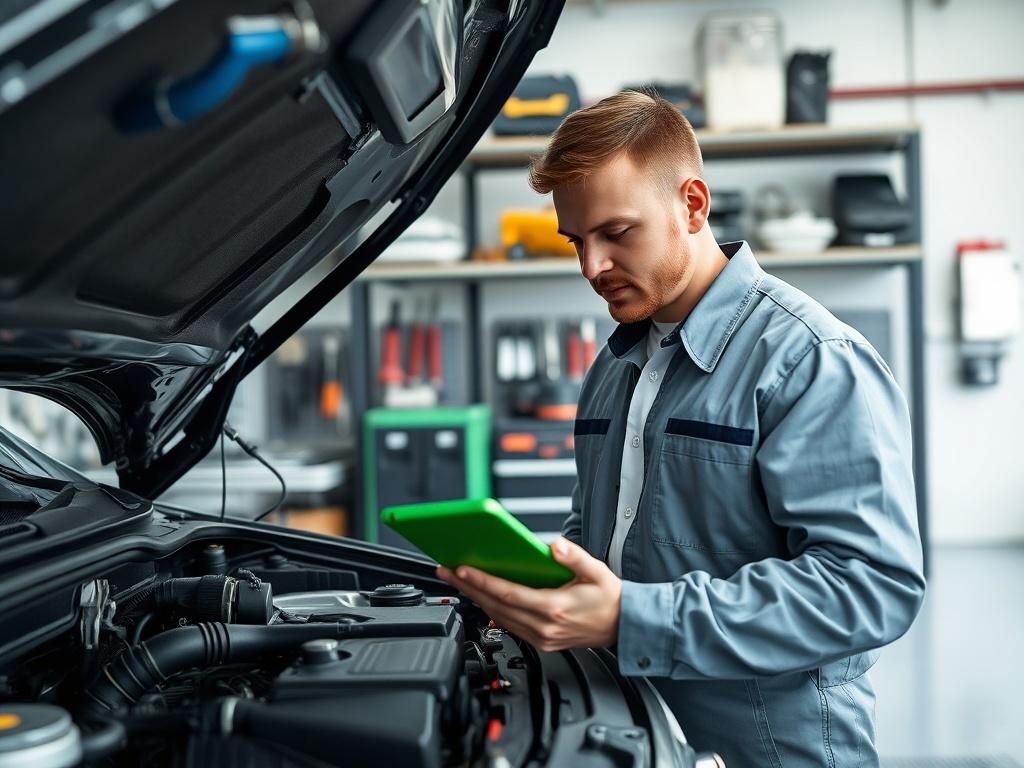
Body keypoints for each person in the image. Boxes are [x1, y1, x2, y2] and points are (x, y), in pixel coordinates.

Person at [437, 91, 926, 766]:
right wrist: (540, 593)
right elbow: (604, 540)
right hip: (635, 728)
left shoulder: (810, 360)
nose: (590, 268)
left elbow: (870, 586)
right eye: (577, 241)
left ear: (693, 205)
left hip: (769, 746)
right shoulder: (613, 370)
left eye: (616, 233)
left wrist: (632, 618)